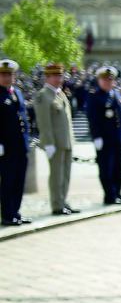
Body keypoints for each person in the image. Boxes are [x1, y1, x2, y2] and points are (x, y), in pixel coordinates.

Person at [32, 63, 77, 215]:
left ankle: (63, 200)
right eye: (55, 76)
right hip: (55, 142)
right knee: (56, 175)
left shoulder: (60, 94)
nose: (59, 79)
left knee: (65, 174)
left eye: (60, 76)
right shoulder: (43, 95)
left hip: (66, 141)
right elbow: (44, 122)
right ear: (47, 77)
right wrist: (48, 142)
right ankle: (57, 204)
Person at [87, 66, 121, 204]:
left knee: (118, 167)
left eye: (110, 80)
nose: (107, 82)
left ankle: (117, 192)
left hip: (117, 138)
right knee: (106, 168)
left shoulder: (116, 95)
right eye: (104, 80)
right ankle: (109, 194)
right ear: (99, 80)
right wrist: (96, 136)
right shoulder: (95, 96)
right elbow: (93, 118)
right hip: (105, 139)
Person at [0, 59, 31, 226]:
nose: (7, 78)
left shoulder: (16, 93)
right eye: (4, 75)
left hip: (20, 145)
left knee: (19, 181)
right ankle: (7, 214)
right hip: (6, 147)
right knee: (7, 181)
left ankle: (15, 212)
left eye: (10, 75)